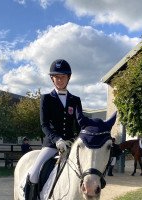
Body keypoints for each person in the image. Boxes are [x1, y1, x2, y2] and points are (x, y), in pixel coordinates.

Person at [25, 59, 83, 200]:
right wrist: (57, 140)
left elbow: (80, 124)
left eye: (62, 77)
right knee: (33, 174)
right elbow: (44, 124)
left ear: (68, 78)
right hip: (51, 145)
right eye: (56, 77)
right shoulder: (46, 98)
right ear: (52, 79)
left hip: (70, 145)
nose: (59, 80)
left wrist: (74, 140)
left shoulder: (75, 100)